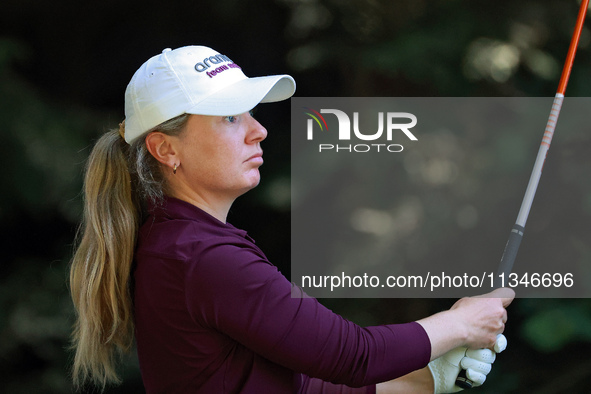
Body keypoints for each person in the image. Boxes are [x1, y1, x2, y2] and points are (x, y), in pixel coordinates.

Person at [69, 45, 514, 393]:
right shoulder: (201, 257)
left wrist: (428, 378)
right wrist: (460, 324)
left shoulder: (180, 243)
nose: (257, 129)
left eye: (250, 113)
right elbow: (353, 355)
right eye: (229, 117)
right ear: (166, 149)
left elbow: (291, 386)